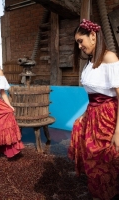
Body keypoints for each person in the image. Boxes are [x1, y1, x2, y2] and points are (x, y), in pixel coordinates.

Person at [68, 19, 119, 200]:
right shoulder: (91, 62)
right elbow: (93, 96)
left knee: (106, 159)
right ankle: (99, 193)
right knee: (93, 157)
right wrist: (83, 115)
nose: (79, 46)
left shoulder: (110, 58)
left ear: (93, 36)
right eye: (77, 43)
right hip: (93, 114)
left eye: (81, 41)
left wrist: (118, 131)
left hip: (108, 116)